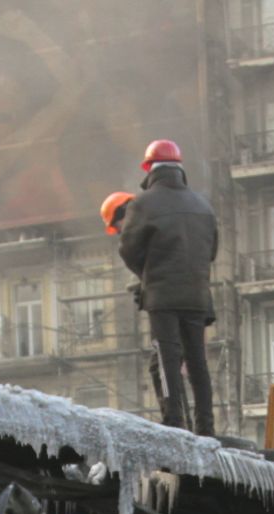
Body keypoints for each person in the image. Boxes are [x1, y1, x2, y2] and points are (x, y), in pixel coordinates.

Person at [119, 140, 218, 436]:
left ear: (149, 169)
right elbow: (211, 250)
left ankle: (175, 422)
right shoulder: (203, 205)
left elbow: (128, 249)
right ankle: (206, 428)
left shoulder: (142, 203)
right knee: (197, 361)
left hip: (162, 294)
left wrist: (147, 274)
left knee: (167, 357)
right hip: (198, 294)